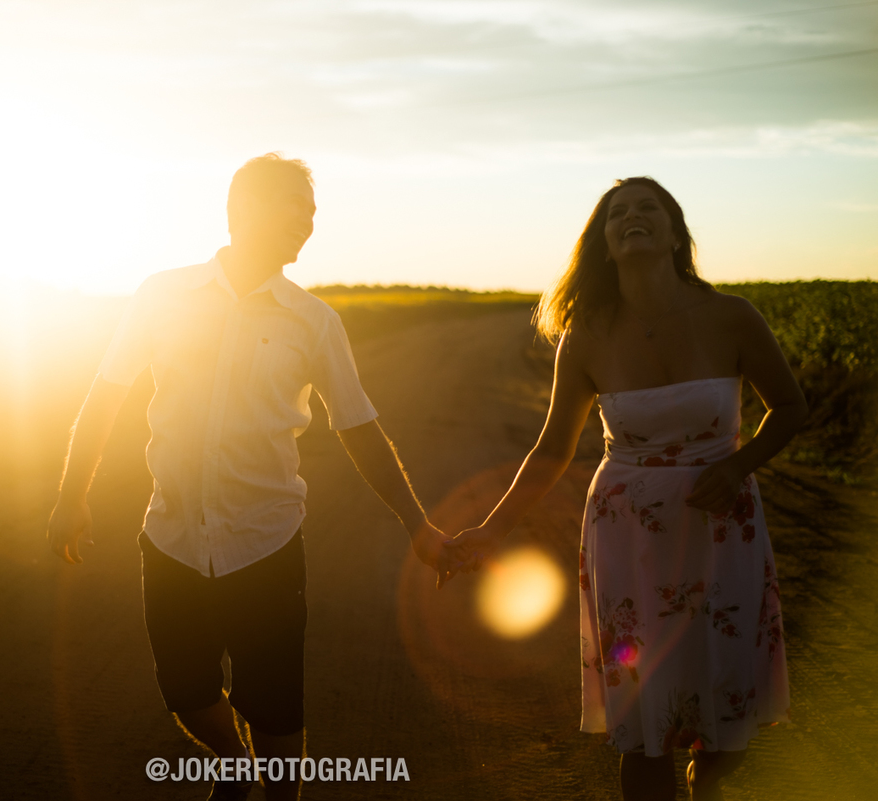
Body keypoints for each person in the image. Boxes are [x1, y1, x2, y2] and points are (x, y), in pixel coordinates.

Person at [46, 153, 451, 801]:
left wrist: (418, 523)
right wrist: (72, 495)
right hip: (171, 534)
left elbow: (359, 428)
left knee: (276, 706)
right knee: (184, 688)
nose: (308, 224)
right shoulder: (162, 294)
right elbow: (105, 396)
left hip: (266, 543)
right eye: (297, 207)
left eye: (313, 213)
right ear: (242, 210)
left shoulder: (314, 321)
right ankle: (233, 765)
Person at [444, 177, 807, 801]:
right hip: (628, 536)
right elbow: (553, 450)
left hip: (722, 526)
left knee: (729, 730)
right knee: (645, 722)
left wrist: (738, 465)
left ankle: (708, 776)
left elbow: (790, 408)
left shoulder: (731, 316)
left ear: (674, 234)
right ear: (605, 244)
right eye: (618, 214)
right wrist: (490, 530)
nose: (632, 218)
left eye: (648, 209)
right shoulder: (586, 334)